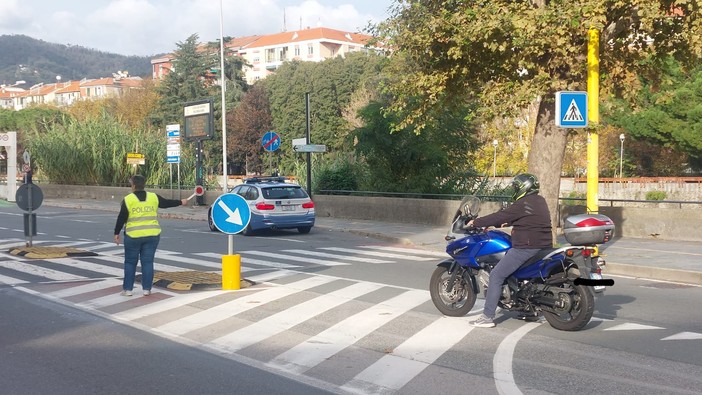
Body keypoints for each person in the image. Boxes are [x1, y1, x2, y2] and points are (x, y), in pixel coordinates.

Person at [467, 173, 553, 328]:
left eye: (515, 187)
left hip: (526, 247)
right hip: (544, 246)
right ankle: (529, 309)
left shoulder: (522, 203)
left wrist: (476, 222)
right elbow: (515, 218)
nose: (513, 189)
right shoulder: (539, 201)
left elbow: (500, 215)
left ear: (523, 188)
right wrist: (498, 224)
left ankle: (487, 316)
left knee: (496, 275)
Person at [114, 175, 188, 296]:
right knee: (147, 262)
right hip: (152, 236)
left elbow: (121, 218)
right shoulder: (153, 197)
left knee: (130, 262)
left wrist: (116, 233)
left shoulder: (128, 199)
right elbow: (166, 203)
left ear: (133, 185)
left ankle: (128, 290)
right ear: (144, 185)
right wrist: (181, 202)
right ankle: (146, 289)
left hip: (133, 236)